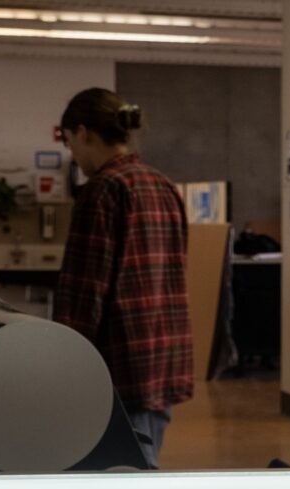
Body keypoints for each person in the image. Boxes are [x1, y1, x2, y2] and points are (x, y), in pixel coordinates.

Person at [54, 88, 193, 468]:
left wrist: (63, 361)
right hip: (162, 355)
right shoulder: (162, 185)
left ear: (82, 133)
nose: (73, 155)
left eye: (70, 142)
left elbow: (85, 293)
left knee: (121, 475)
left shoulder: (102, 190)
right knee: (145, 465)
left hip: (118, 363)